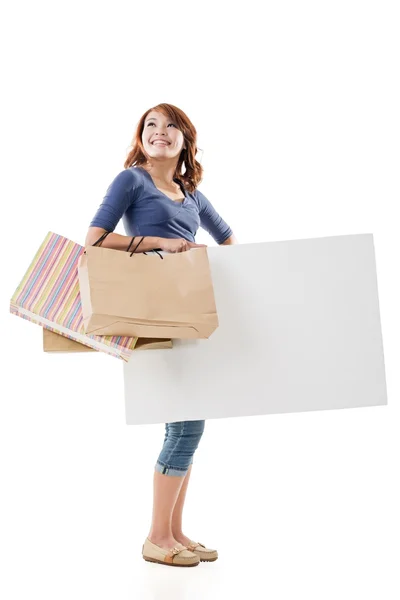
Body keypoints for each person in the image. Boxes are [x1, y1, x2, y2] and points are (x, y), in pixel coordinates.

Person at [85, 103, 237, 567]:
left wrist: (206, 260)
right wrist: (160, 243)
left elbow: (228, 240)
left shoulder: (190, 192)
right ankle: (156, 537)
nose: (160, 132)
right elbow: (94, 238)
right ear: (141, 137)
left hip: (186, 314)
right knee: (186, 423)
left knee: (188, 421)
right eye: (151, 124)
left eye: (171, 125)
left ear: (185, 139)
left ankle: (175, 531)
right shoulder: (131, 179)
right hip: (152, 314)